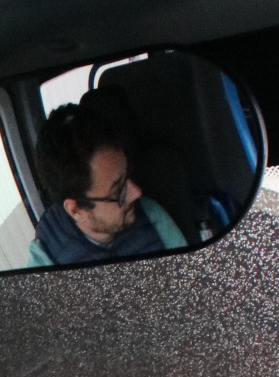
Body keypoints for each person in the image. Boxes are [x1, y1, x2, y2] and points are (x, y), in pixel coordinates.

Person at [27, 93, 188, 267]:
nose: (136, 192)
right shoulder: (46, 264)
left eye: (128, 173)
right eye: (118, 190)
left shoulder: (152, 216)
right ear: (76, 210)